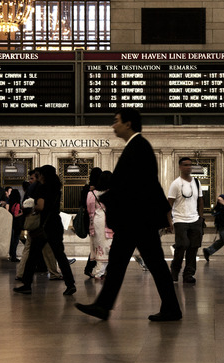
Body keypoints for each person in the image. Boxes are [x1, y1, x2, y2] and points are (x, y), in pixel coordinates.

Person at [75, 109, 182, 321]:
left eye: (116, 121)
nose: (113, 125)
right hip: (137, 219)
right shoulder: (137, 146)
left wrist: (109, 197)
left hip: (137, 220)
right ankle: (105, 306)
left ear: (128, 124)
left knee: (152, 263)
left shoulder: (138, 146)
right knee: (125, 262)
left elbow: (138, 185)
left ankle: (169, 308)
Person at [15, 165, 77, 296]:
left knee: (32, 256)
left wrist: (33, 207)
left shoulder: (42, 188)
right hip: (55, 223)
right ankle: (70, 284)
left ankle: (26, 285)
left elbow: (41, 206)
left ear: (43, 175)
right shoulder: (56, 187)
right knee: (60, 255)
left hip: (43, 226)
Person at [168, 157, 203, 283]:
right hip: (180, 219)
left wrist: (200, 218)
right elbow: (169, 204)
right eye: (185, 165)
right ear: (180, 167)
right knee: (182, 246)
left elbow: (200, 200)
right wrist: (169, 221)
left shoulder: (197, 183)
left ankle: (188, 274)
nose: (188, 167)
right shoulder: (175, 184)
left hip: (194, 220)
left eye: (190, 165)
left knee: (193, 248)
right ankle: (174, 271)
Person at [88, 170, 113, 280]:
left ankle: (100, 271)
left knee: (100, 245)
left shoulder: (92, 193)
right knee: (107, 245)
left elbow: (90, 209)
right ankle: (99, 273)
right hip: (109, 221)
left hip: (97, 220)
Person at [82, 167, 103, 278]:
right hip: (97, 219)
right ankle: (92, 268)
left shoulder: (86, 188)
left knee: (95, 244)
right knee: (99, 244)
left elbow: (82, 203)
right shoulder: (100, 190)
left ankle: (90, 267)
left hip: (88, 220)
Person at [7, 186, 23, 262]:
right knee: (15, 241)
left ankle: (12, 255)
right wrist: (22, 213)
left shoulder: (10, 204)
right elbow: (16, 215)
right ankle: (13, 256)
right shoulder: (17, 204)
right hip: (17, 224)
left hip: (11, 223)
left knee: (12, 241)